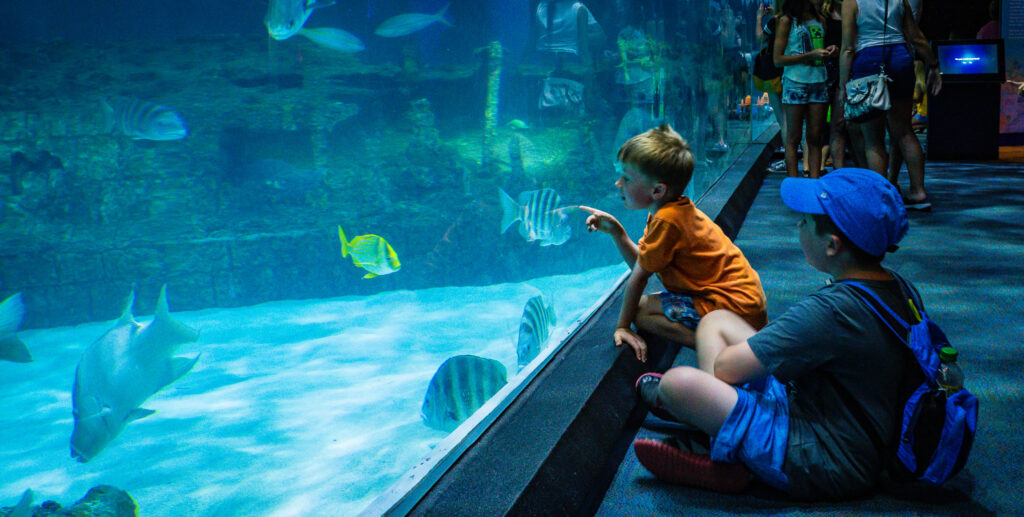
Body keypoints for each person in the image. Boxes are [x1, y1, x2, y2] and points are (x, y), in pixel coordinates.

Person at [633, 168, 919, 498]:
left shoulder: (833, 311)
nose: (798, 225)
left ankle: (731, 458)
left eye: (805, 222)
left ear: (831, 245)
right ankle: (714, 422)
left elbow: (726, 369)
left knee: (678, 383)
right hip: (834, 415)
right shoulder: (899, 287)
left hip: (830, 457)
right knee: (716, 322)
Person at [579, 125, 767, 363]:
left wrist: (623, 326)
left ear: (657, 190)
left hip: (733, 309)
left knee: (642, 312)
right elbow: (644, 263)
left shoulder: (668, 221)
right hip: (745, 303)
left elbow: (639, 277)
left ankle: (721, 350)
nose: (618, 183)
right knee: (652, 302)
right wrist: (618, 232)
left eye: (626, 177)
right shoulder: (671, 211)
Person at [839, 0, 940, 210]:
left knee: (873, 139)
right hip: (900, 59)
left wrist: (842, 85)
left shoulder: (851, 2)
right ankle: (918, 191)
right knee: (904, 131)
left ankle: (880, 197)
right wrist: (934, 64)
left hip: (868, 61)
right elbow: (915, 37)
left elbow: (848, 48)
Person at [773, 0, 836, 178]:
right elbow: (777, 59)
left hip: (819, 81)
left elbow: (819, 48)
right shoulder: (786, 21)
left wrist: (830, 51)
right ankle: (793, 182)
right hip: (795, 82)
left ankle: (815, 181)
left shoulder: (820, 19)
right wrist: (810, 55)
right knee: (793, 137)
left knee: (816, 137)